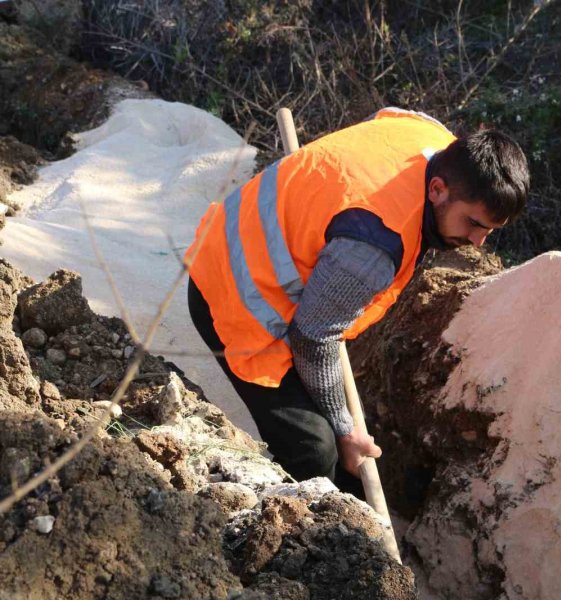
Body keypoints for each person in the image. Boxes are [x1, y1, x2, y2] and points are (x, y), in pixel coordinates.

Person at [185, 107, 529, 492]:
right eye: (474, 224)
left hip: (242, 233)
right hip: (233, 293)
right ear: (437, 190)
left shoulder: (426, 135)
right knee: (315, 451)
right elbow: (313, 338)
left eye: (490, 232)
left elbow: (384, 116)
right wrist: (344, 429)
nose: (477, 243)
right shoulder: (373, 246)